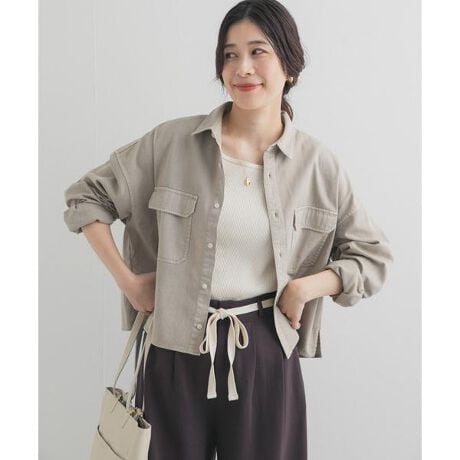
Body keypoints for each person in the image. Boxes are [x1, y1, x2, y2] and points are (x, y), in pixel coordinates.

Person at [63, 1, 393, 458]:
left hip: (265, 350)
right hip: (173, 346)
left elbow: (372, 257)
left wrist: (305, 288)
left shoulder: (318, 166)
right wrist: (130, 283)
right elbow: (86, 198)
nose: (242, 68)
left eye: (258, 52)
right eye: (230, 54)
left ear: (289, 66)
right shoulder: (172, 143)